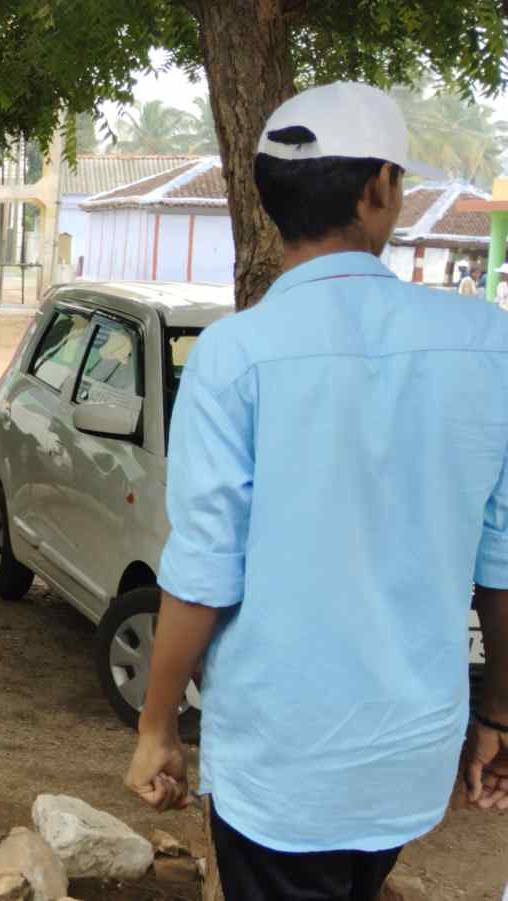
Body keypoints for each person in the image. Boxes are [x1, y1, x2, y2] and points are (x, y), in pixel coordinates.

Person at [122, 82, 508, 901]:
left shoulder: (234, 357)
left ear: (270, 199)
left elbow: (203, 571)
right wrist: (499, 713)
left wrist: (157, 725)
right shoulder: (487, 345)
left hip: (279, 763)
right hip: (410, 757)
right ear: (379, 191)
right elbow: (502, 562)